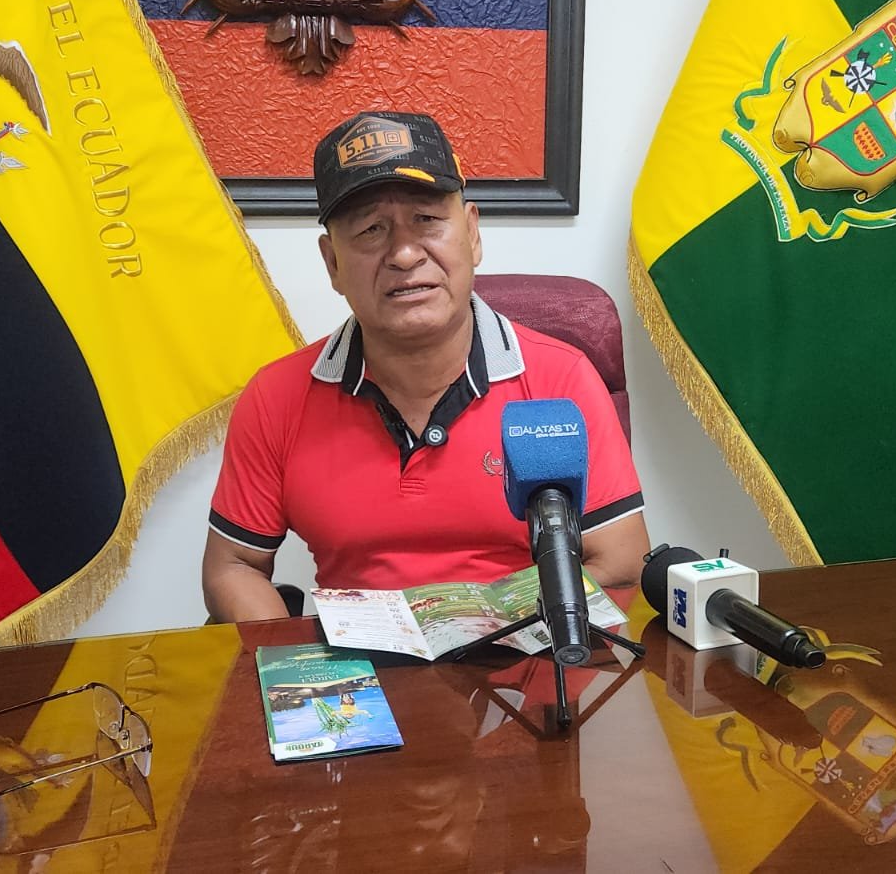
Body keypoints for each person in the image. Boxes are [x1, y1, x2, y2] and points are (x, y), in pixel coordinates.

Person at [201, 111, 649, 622]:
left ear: (472, 234)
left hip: (525, 653)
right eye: (371, 229)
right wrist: (291, 658)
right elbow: (233, 566)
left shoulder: (559, 380)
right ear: (333, 263)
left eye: (427, 220)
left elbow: (620, 563)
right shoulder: (277, 396)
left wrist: (481, 628)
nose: (405, 253)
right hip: (357, 664)